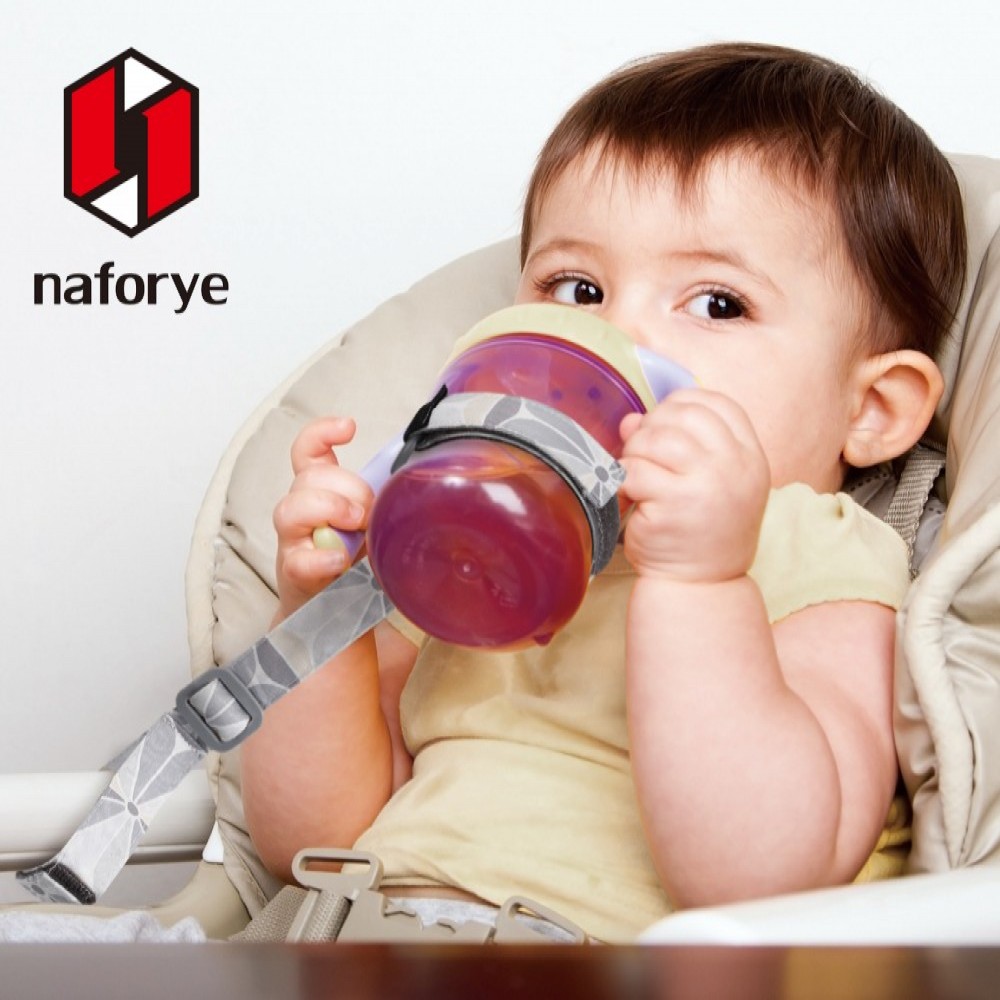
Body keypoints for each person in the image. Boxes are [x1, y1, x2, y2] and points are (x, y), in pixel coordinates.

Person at [239, 42, 967, 943]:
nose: (615, 336)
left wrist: (701, 581)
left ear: (872, 410)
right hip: (354, 935)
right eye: (576, 288)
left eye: (718, 303)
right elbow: (309, 839)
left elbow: (759, 876)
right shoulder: (472, 531)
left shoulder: (816, 548)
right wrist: (318, 618)